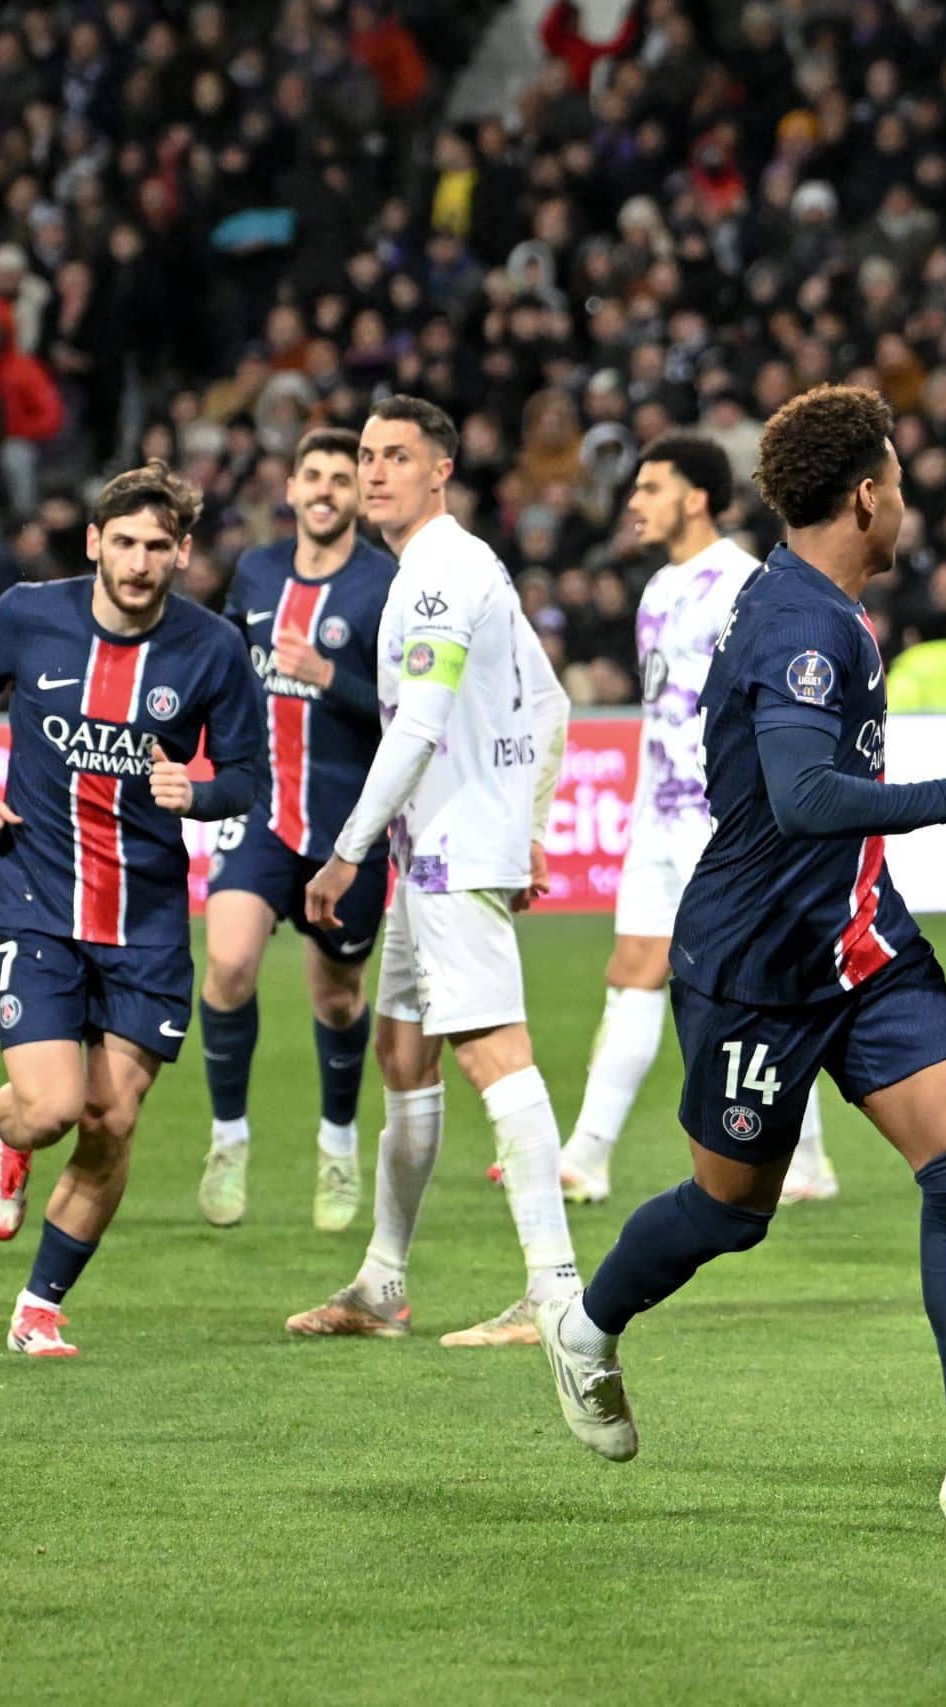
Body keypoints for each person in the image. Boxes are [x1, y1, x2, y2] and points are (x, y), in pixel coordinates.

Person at [531, 385, 946, 1534]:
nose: (909, 504)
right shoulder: (797, 627)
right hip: (755, 966)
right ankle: (586, 1325)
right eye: (899, 481)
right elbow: (800, 797)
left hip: (862, 944)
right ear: (868, 494)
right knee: (732, 1209)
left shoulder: (819, 603)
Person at [0, 462, 266, 1356]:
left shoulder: (211, 650)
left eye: (157, 545)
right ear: (93, 542)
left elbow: (246, 777)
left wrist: (196, 794)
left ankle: (40, 1305)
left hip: (147, 918)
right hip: (37, 898)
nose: (137, 560)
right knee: (49, 1108)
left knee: (111, 1120)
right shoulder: (27, 614)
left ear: (183, 552)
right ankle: (7, 1136)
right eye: (122, 542)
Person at [285, 395, 581, 1348]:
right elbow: (551, 700)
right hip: (443, 849)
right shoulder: (451, 567)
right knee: (402, 1053)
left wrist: (345, 852)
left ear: (440, 470)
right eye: (366, 454)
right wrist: (529, 828)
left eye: (396, 456)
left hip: (447, 850)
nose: (375, 471)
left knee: (493, 1050)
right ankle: (382, 1284)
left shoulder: (438, 574)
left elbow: (417, 722)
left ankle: (554, 1289)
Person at [553, 433, 842, 1209]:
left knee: (764, 984)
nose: (634, 501)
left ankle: (808, 1158)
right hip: (661, 814)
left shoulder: (745, 584)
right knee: (634, 969)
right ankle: (586, 1153)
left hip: (725, 821)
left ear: (698, 497)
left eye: (651, 487)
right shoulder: (656, 591)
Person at [194, 427, 401, 1231]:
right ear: (290, 486)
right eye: (311, 476)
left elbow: (407, 714)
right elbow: (221, 666)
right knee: (229, 962)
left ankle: (338, 1146)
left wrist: (330, 678)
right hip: (260, 815)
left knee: (339, 996)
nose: (324, 490)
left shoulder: (384, 585)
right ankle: (227, 1138)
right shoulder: (256, 570)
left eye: (340, 480)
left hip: (348, 829)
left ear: (358, 494)